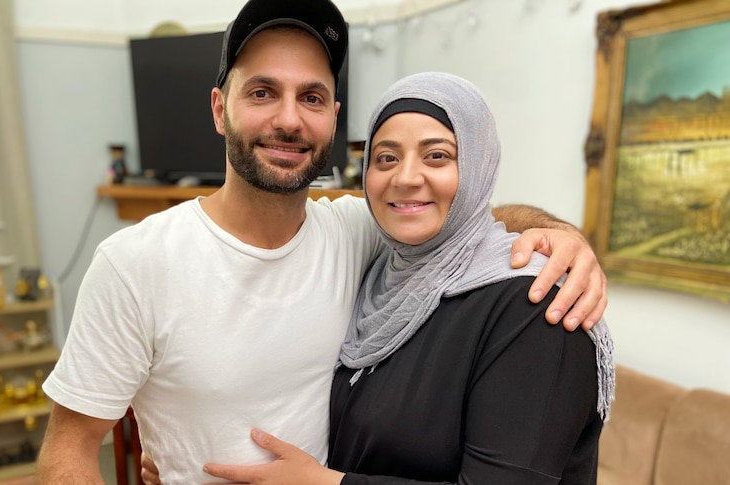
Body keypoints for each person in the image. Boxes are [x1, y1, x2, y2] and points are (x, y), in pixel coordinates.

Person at [37, 1, 607, 483]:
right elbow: (69, 446)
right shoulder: (135, 263)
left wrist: (559, 237)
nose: (289, 119)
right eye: (262, 92)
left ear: (333, 119)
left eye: (311, 98)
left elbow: (456, 222)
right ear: (219, 109)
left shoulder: (356, 232)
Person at [199, 72, 614, 484]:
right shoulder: (381, 272)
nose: (405, 178)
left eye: (437, 156)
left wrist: (324, 484)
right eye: (386, 158)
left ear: (477, 165)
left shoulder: (536, 305)